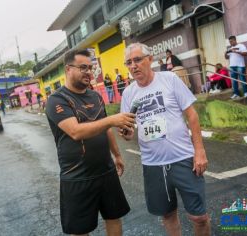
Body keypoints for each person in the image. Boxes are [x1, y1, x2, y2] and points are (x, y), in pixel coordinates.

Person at [120, 43, 210, 236]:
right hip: (153, 165)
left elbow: (192, 115)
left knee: (199, 217)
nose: (133, 66)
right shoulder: (128, 93)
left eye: (137, 60)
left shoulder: (169, 79)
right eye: (129, 62)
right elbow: (129, 129)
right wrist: (127, 133)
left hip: (183, 159)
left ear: (150, 60)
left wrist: (199, 150)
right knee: (167, 215)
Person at [45, 49, 135, 235]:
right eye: (83, 67)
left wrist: (117, 155)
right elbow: (75, 132)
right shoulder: (57, 100)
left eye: (91, 68)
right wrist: (112, 119)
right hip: (77, 176)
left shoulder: (95, 96)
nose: (89, 72)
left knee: (113, 217)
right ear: (68, 69)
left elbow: (106, 128)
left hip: (106, 171)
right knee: (80, 230)